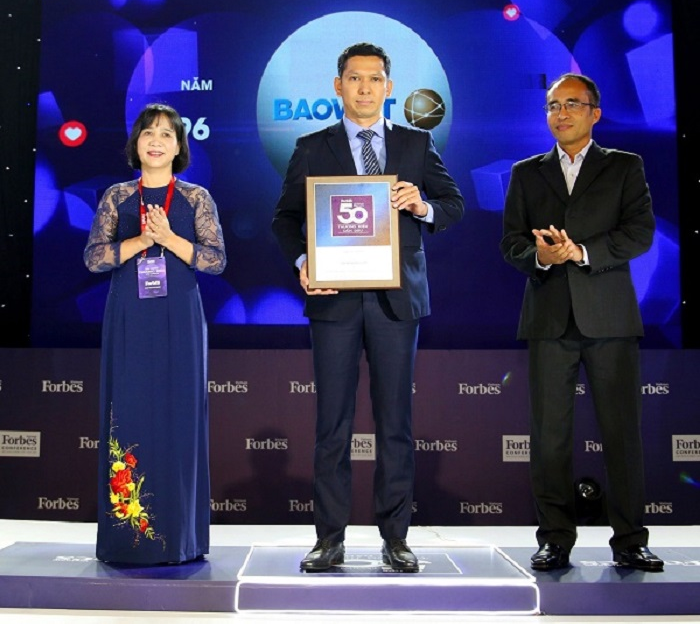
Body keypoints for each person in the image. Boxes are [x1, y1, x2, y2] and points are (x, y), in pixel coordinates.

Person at [272, 42, 464, 573]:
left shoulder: (415, 143)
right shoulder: (312, 147)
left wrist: (420, 205)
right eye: (354, 78)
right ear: (338, 86)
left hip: (396, 301)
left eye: (374, 78)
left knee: (395, 423)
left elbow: (453, 204)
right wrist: (303, 261)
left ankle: (396, 538)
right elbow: (285, 219)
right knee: (331, 425)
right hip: (333, 300)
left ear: (388, 87)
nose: (364, 87)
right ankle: (329, 538)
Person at [500, 73, 663, 572]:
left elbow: (639, 233)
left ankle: (630, 539)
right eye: (553, 105)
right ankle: (554, 538)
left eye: (572, 104)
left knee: (621, 433)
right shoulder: (526, 172)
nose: (562, 113)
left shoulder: (624, 166)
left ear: (595, 112)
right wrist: (543, 257)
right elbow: (511, 243)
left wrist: (582, 252)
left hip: (609, 318)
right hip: (550, 320)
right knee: (549, 437)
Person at [84, 103, 226, 564]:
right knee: (128, 412)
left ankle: (181, 539)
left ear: (179, 145)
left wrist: (167, 239)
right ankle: (129, 538)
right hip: (130, 314)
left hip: (179, 316)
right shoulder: (117, 197)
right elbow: (94, 258)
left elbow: (215, 260)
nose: (157, 141)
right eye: (149, 133)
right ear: (137, 143)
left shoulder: (196, 198)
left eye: (167, 134)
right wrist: (142, 240)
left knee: (179, 417)